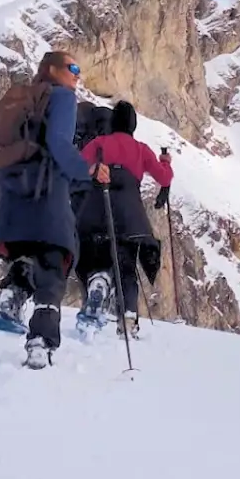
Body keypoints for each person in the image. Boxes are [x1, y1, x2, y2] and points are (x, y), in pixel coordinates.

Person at [0, 50, 109, 369]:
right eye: (72, 67)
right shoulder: (62, 98)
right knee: (52, 264)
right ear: (51, 69)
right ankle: (40, 340)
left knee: (25, 253)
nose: (78, 74)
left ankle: (14, 294)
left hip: (10, 199)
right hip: (47, 193)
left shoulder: (17, 99)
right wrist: (86, 171)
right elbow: (60, 144)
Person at [74, 100, 174, 337]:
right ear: (133, 125)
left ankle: (98, 280)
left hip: (97, 209)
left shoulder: (99, 143)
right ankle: (128, 318)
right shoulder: (141, 149)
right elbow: (164, 178)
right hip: (130, 216)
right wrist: (165, 163)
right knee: (127, 268)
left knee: (96, 259)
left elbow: (76, 167)